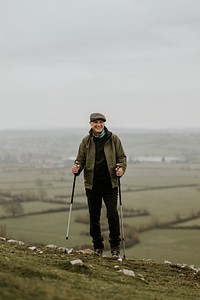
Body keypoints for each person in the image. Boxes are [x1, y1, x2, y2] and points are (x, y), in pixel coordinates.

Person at [72, 112, 127, 259]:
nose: (98, 125)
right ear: (90, 124)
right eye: (95, 122)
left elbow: (122, 157)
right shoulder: (86, 141)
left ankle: (115, 247)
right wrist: (76, 168)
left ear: (104, 124)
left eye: (101, 122)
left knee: (112, 214)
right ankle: (98, 247)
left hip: (110, 183)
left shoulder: (113, 139)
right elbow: (80, 160)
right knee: (94, 217)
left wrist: (121, 168)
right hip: (92, 184)